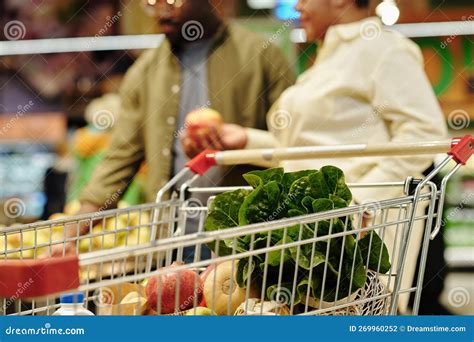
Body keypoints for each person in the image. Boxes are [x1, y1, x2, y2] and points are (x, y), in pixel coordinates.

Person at [182, 0, 448, 313]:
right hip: (314, 243)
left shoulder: (385, 49)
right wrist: (245, 139)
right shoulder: (331, 54)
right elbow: (313, 154)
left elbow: (424, 135)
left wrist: (358, 203)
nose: (296, 6)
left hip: (354, 249)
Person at [59, 1, 295, 250]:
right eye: (152, 2)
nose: (163, 10)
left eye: (173, 0)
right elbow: (118, 161)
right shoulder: (144, 73)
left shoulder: (261, 56)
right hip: (172, 238)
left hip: (245, 237)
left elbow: (293, 143)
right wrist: (70, 234)